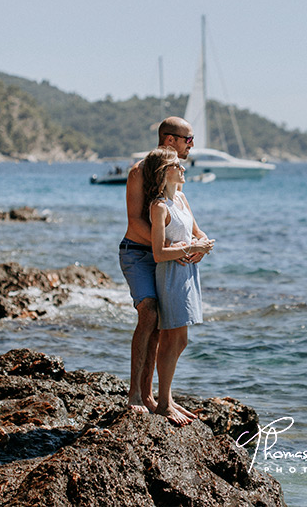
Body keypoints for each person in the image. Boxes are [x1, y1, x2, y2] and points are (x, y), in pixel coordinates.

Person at [119, 117, 203, 415]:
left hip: (168, 257)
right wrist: (169, 248)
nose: (191, 145)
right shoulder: (139, 172)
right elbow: (135, 221)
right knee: (149, 313)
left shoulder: (175, 179)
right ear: (170, 140)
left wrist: (197, 245)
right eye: (188, 139)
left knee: (165, 326)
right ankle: (134, 395)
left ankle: (155, 396)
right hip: (138, 253)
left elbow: (185, 220)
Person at [143, 148, 214, 425]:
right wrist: (190, 248)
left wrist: (203, 246)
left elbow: (198, 233)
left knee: (180, 339)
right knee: (172, 338)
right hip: (171, 275)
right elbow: (159, 252)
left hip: (188, 274)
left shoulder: (182, 198)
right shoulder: (159, 207)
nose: (183, 168)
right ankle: (163, 403)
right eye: (177, 166)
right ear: (164, 172)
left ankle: (166, 398)